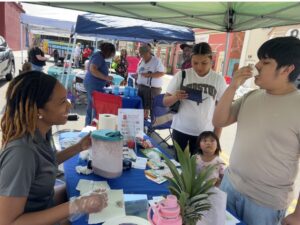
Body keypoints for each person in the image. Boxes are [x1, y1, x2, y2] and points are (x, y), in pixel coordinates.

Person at [0, 71, 108, 225]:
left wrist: (79, 147)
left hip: (45, 206)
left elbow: (43, 164)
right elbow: (8, 222)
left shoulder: (41, 132)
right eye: (62, 101)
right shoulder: (21, 153)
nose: (69, 105)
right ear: (39, 111)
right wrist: (77, 205)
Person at [212, 36, 300, 225]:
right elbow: (218, 120)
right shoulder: (251, 96)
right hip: (230, 185)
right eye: (259, 60)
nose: (257, 66)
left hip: (265, 203)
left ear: (287, 69)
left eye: (266, 62)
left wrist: (298, 214)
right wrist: (233, 86)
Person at [163, 42, 227, 156]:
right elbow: (165, 101)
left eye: (204, 63)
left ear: (211, 60)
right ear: (190, 60)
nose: (199, 67)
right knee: (180, 167)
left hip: (205, 135)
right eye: (195, 63)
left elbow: (221, 112)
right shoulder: (182, 75)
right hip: (180, 130)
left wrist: (216, 139)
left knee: (200, 169)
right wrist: (175, 96)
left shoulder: (218, 80)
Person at [84, 42, 115, 125]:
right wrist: (106, 78)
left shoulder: (99, 56)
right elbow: (93, 69)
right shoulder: (98, 57)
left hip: (93, 84)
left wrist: (106, 78)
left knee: (91, 106)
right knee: (95, 107)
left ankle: (89, 126)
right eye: (112, 54)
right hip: (93, 85)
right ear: (108, 52)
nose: (112, 56)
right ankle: (92, 126)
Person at [136, 44, 165, 119]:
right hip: (141, 87)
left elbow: (162, 73)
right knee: (141, 107)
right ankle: (143, 123)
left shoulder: (156, 61)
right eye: (141, 54)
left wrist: (149, 75)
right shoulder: (141, 60)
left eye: (143, 54)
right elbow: (138, 72)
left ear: (148, 52)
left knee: (151, 109)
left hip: (152, 89)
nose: (142, 56)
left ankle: (151, 127)